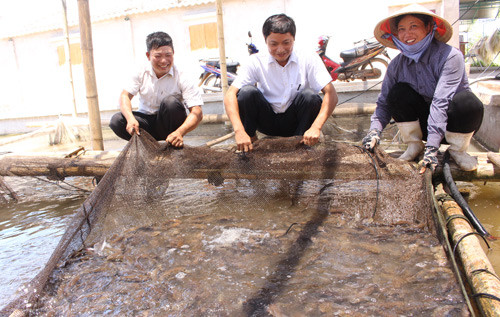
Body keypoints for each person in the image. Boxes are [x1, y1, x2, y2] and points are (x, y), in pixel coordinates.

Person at [362, 4, 484, 172]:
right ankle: (414, 145)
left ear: (428, 27)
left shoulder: (450, 56)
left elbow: (441, 102)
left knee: (468, 101)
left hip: (454, 125)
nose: (407, 34)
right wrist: (374, 131)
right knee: (397, 93)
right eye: (402, 29)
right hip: (423, 127)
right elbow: (383, 103)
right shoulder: (396, 65)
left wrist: (432, 149)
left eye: (414, 26)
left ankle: (458, 150)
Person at [224, 14, 338, 152]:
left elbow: (331, 94)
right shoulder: (255, 61)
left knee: (310, 97)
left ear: (293, 39)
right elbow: (230, 95)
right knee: (247, 93)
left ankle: (302, 145)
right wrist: (239, 131)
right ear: (266, 40)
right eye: (274, 44)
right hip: (267, 121)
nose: (280, 49)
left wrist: (316, 127)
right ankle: (249, 142)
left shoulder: (308, 58)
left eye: (286, 42)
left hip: (295, 121)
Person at [109, 31, 203, 148]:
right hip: (146, 125)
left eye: (168, 55)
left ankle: (172, 142)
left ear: (173, 53)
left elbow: (197, 112)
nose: (164, 61)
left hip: (169, 125)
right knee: (116, 120)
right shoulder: (140, 71)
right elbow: (125, 96)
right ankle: (147, 146)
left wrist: (180, 132)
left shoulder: (182, 75)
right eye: (158, 56)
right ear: (148, 56)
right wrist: (130, 119)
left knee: (171, 103)